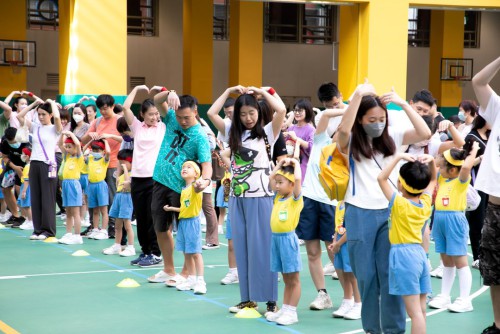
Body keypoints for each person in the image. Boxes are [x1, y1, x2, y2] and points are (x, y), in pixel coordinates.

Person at [336, 82, 431, 333]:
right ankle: (372, 329)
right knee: (366, 278)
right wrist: (357, 95)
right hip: (359, 213)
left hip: (391, 212)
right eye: (371, 119)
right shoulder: (352, 139)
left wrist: (401, 103)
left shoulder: (395, 137)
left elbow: (424, 133)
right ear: (360, 120)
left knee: (391, 278)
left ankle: (393, 330)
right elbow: (343, 130)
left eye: (382, 118)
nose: (377, 123)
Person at [210, 85, 286, 315]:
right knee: (242, 249)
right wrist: (228, 91)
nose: (248, 118)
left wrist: (266, 92)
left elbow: (281, 109)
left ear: (259, 112)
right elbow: (212, 113)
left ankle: (271, 299)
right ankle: (247, 299)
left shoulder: (268, 132)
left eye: (251, 113)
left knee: (263, 248)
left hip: (261, 197)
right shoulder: (232, 131)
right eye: (242, 114)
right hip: (237, 198)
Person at [147, 90, 212, 286]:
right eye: (179, 117)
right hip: (160, 180)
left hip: (182, 189)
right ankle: (168, 269)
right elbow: (155, 99)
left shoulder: (200, 136)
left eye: (187, 117)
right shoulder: (172, 119)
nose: (182, 121)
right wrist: (169, 93)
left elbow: (206, 165)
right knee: (160, 227)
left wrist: (206, 181)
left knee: (184, 231)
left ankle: (186, 272)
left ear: (195, 112)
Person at [378, 153, 436, 334]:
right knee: (421, 310)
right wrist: (432, 161)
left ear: (401, 184)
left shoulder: (399, 204)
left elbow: (381, 178)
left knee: (414, 313)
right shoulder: (425, 203)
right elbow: (434, 179)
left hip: (403, 256)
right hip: (419, 255)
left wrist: (398, 158)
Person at [428, 144, 479, 313]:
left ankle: (465, 300)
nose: (439, 168)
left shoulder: (461, 180)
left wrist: (473, 150)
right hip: (440, 220)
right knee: (446, 261)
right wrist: (437, 158)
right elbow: (435, 162)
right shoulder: (443, 178)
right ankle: (445, 295)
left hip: (454, 220)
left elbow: (465, 166)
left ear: (452, 170)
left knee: (460, 262)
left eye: (442, 167)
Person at [471, 55, 500, 334]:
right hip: (495, 207)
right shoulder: (498, 108)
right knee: (493, 271)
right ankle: (498, 324)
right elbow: (478, 81)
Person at [122, 85, 164, 267]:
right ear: (142, 114)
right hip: (137, 178)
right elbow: (125, 108)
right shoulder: (137, 127)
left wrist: (161, 90)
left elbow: (167, 106)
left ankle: (156, 253)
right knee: (140, 216)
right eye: (150, 114)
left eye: (156, 113)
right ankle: (145, 251)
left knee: (152, 217)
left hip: (154, 179)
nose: (154, 117)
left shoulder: (163, 127)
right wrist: (137, 88)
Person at [17, 99, 62, 240]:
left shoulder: (55, 128)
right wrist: (34, 104)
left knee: (47, 198)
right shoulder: (35, 127)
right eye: (39, 114)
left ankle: (48, 231)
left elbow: (57, 117)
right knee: (35, 197)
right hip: (34, 164)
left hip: (47, 164)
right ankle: (37, 230)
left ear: (50, 115)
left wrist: (52, 103)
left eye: (44, 114)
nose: (41, 117)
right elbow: (19, 116)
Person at [265, 158, 303, 325]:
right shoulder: (277, 198)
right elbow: (271, 179)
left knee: (293, 279)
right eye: (277, 183)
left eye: (281, 183)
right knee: (286, 279)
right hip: (276, 241)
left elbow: (298, 179)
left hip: (288, 240)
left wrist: (294, 163)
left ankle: (292, 312)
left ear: (292, 184)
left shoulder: (295, 199)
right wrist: (279, 166)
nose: (277, 185)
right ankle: (285, 309)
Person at [81, 94, 123, 238]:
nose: (103, 112)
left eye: (106, 108)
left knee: (111, 195)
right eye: (101, 109)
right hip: (95, 164)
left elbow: (127, 138)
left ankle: (112, 226)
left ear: (112, 106)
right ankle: (94, 226)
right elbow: (83, 139)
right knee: (93, 194)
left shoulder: (120, 120)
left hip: (112, 163)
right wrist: (92, 135)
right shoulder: (98, 121)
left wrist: (109, 136)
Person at [163, 161, 207, 294]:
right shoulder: (184, 189)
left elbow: (199, 188)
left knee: (195, 253)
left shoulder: (195, 186)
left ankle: (201, 281)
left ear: (196, 174)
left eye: (189, 167)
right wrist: (171, 208)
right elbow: (184, 207)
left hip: (192, 223)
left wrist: (200, 183)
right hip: (183, 222)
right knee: (186, 252)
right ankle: (191, 279)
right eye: (183, 167)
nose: (185, 169)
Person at [464, 115, 490, 269]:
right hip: (476, 184)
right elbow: (465, 163)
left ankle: (486, 255)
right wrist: (482, 158)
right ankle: (477, 256)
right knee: (477, 221)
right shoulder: (471, 137)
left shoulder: (491, 137)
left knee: (488, 221)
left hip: (489, 183)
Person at [329, 200, 362, 320]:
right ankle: (347, 301)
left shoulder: (353, 204)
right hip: (339, 243)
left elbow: (352, 229)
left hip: (349, 243)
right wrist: (334, 242)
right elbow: (338, 226)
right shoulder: (339, 204)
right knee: (344, 273)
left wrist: (338, 243)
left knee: (352, 275)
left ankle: (359, 304)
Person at [103, 149, 136, 257]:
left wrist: (126, 169)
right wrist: (120, 170)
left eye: (124, 162)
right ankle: (117, 245)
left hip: (127, 198)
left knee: (127, 224)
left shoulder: (132, 173)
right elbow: (118, 183)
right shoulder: (121, 174)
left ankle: (131, 247)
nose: (121, 164)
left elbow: (127, 183)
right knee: (117, 225)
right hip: (119, 197)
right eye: (120, 161)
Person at [57, 131, 84, 245]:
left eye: (69, 147)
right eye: (66, 146)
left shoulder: (78, 157)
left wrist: (70, 134)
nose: (67, 149)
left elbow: (78, 144)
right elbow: (59, 145)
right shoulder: (66, 157)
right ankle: (68, 233)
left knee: (75, 212)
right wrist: (63, 134)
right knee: (68, 211)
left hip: (73, 184)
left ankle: (77, 235)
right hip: (65, 184)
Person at [0, 127, 29, 227]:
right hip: (12, 165)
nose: (13, 144)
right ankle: (15, 215)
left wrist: (24, 171)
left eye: (14, 141)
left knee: (19, 188)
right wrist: (14, 167)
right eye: (10, 142)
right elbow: (4, 156)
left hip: (26, 166)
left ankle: (25, 217)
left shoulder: (26, 140)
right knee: (5, 188)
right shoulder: (4, 141)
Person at [83, 139, 111, 240]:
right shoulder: (90, 159)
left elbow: (108, 152)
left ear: (102, 151)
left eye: (98, 150)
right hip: (91, 185)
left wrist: (105, 141)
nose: (95, 152)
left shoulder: (104, 160)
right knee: (94, 210)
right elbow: (81, 151)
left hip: (101, 185)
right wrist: (90, 141)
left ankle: (103, 231)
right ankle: (95, 229)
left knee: (103, 209)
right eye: (94, 150)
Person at [283, 99, 316, 182]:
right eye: (295, 110)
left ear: (307, 111)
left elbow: (312, 148)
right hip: (289, 165)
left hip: (303, 166)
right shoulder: (291, 128)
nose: (297, 113)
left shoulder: (311, 129)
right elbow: (285, 147)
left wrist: (297, 139)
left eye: (300, 110)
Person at [17, 147, 33, 230]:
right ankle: (28, 219)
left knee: (27, 205)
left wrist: (24, 191)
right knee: (23, 204)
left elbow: (27, 180)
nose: (22, 155)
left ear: (28, 156)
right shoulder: (27, 165)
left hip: (26, 187)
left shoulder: (28, 166)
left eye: (24, 154)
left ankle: (31, 221)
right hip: (24, 185)